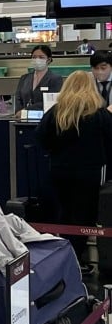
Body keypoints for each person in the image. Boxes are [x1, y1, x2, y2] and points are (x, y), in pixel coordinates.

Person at [37, 70, 112, 273]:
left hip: (60, 171)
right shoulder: (100, 113)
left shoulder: (57, 111)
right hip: (90, 173)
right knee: (84, 217)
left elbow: (42, 138)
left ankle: (62, 256)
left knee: (63, 215)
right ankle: (76, 259)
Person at [14, 45, 63, 112]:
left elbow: (51, 102)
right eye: (34, 57)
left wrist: (26, 110)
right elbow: (18, 98)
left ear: (48, 60)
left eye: (41, 57)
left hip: (45, 119)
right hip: (24, 119)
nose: (37, 60)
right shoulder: (24, 78)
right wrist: (19, 112)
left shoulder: (55, 79)